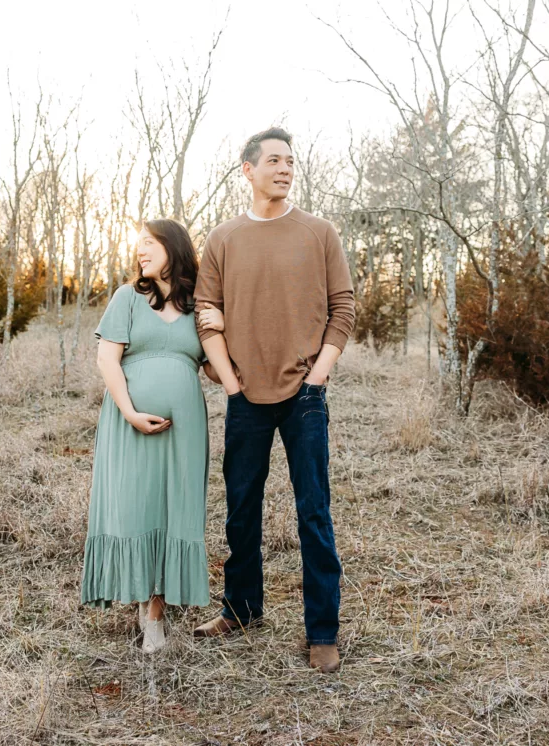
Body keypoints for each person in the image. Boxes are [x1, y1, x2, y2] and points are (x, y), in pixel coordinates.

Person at [192, 127, 356, 673]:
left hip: (304, 395)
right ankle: (241, 609)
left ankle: (322, 631)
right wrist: (231, 384)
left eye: (291, 161)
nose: (286, 169)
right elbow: (205, 315)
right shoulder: (222, 239)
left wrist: (319, 378)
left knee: (313, 512)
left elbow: (343, 309)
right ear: (248, 168)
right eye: (275, 161)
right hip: (245, 397)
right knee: (241, 510)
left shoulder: (319, 232)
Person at [80, 218, 223, 654]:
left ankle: (155, 619)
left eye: (150, 243)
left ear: (174, 247)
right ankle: (141, 603)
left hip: (185, 431)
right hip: (130, 426)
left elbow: (216, 371)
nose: (140, 251)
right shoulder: (127, 298)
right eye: (137, 244)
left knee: (173, 511)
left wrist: (221, 325)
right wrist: (130, 412)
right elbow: (107, 360)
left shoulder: (198, 305)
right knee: (137, 509)